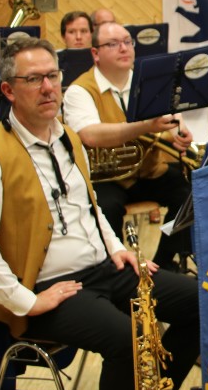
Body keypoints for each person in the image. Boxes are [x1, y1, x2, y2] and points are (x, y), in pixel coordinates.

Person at [0, 37, 199, 390]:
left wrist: (117, 248)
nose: (48, 87)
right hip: (51, 286)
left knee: (201, 301)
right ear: (9, 90)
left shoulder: (67, 135)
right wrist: (27, 301)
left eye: (53, 76)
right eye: (34, 79)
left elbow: (91, 206)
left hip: (104, 268)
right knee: (129, 340)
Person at [63, 21, 195, 267]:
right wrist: (144, 126)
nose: (124, 48)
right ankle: (118, 270)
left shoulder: (150, 83)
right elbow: (89, 135)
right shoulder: (79, 91)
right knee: (106, 208)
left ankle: (164, 264)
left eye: (127, 42)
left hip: (148, 171)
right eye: (113, 44)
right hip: (106, 178)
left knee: (191, 194)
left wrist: (180, 131)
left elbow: (172, 118)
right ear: (95, 53)